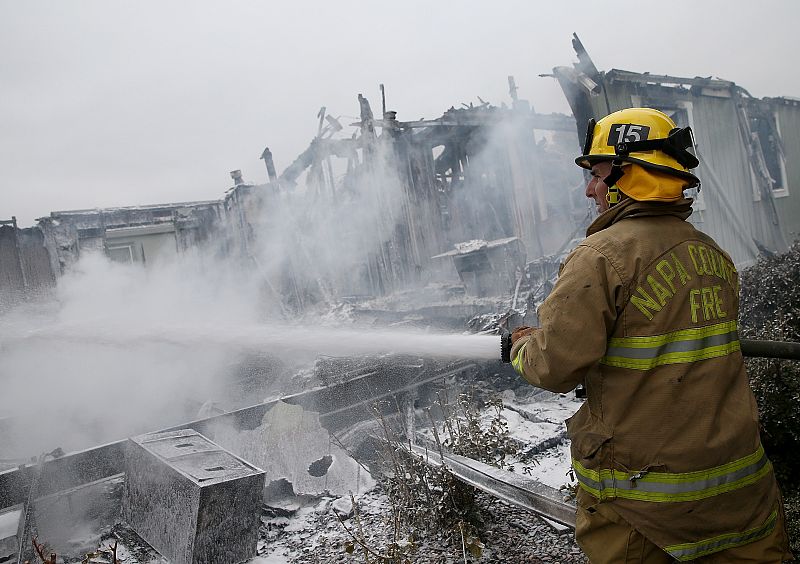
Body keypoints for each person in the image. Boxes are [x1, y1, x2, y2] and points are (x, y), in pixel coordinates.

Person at [509, 108, 792, 563]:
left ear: (628, 176)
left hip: (643, 507)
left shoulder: (600, 256)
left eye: (598, 175)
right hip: (740, 492)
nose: (589, 189)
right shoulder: (712, 254)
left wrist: (522, 345)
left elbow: (554, 365)